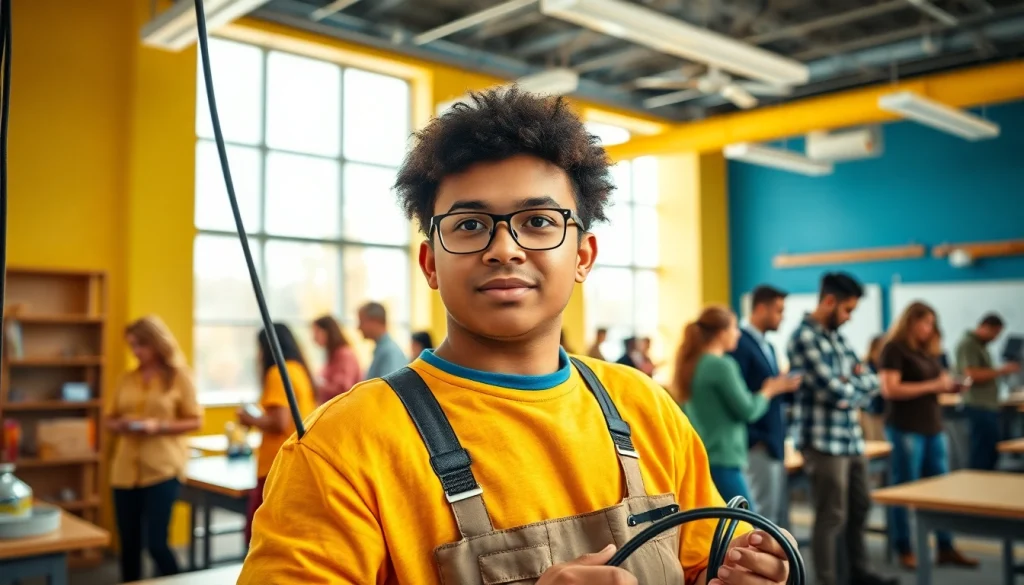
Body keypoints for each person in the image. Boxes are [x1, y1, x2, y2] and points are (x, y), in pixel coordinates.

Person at [238, 87, 795, 585]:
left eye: (538, 221)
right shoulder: (342, 446)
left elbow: (698, 564)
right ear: (430, 263)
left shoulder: (647, 409)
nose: (504, 248)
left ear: (582, 255)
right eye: (470, 225)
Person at [787, 272, 895, 585]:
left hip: (851, 439)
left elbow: (871, 379)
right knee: (831, 515)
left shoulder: (836, 337)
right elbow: (834, 392)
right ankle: (828, 579)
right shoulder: (802, 338)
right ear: (829, 301)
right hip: (822, 442)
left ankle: (857, 573)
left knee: (861, 506)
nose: (849, 318)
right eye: (847, 310)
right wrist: (851, 384)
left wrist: (853, 384)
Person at [878, 302, 977, 570]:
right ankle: (905, 547)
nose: (928, 329)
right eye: (924, 323)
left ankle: (945, 546)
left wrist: (950, 387)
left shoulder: (927, 351)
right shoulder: (893, 349)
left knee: (940, 491)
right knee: (905, 489)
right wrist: (934, 385)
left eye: (932, 324)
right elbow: (890, 390)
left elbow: (937, 383)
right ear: (910, 323)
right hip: (906, 428)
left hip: (933, 428)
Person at [106, 316, 202, 582]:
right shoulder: (126, 378)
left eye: (141, 345)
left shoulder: (179, 377)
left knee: (157, 544)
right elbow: (108, 418)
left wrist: (157, 426)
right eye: (132, 346)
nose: (136, 352)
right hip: (124, 470)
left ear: (156, 344)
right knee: (129, 546)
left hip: (162, 469)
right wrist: (122, 423)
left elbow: (196, 420)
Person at [676, 305, 799, 509]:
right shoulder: (722, 365)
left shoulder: (692, 364)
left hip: (703, 455)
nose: (738, 334)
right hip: (724, 457)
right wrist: (768, 391)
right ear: (721, 332)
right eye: (734, 328)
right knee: (749, 519)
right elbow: (748, 410)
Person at [237, 323, 317, 545]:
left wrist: (248, 419)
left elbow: (279, 422)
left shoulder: (277, 373)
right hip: (297, 462)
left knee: (257, 537)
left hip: (275, 463)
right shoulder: (299, 370)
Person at [728, 285, 798, 528]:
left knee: (775, 515)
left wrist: (785, 387)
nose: (783, 316)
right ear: (760, 308)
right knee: (762, 518)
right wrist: (755, 439)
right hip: (758, 442)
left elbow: (770, 391)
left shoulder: (767, 346)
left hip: (773, 440)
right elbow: (738, 400)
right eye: (778, 310)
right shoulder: (740, 345)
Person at [955, 313, 1021, 470]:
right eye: (995, 333)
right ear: (985, 327)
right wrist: (1001, 371)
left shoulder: (981, 346)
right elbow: (971, 374)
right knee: (981, 453)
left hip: (988, 405)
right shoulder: (968, 344)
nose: (996, 338)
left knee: (991, 451)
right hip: (978, 405)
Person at [311, 315, 360, 405]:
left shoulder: (344, 355)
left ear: (327, 332)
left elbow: (343, 389)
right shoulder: (332, 355)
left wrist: (318, 386)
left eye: (316, 332)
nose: (313, 337)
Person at [357, 301, 409, 379]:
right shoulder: (382, 350)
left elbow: (389, 389)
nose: (358, 327)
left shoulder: (390, 352)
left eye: (361, 321)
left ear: (374, 321)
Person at [861, 335, 887, 442]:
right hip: (872, 413)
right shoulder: (866, 368)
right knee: (875, 442)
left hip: (886, 413)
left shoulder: (886, 368)